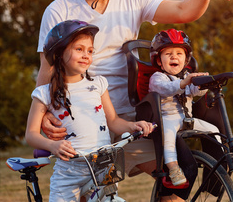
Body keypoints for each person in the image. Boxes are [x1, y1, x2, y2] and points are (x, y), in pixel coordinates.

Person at [36, 0, 232, 200]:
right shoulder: (59, 10)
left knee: (178, 175)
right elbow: (47, 70)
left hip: (132, 115)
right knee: (89, 193)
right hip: (84, 117)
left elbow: (181, 11)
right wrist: (44, 113)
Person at [26, 20, 154, 201]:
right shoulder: (45, 93)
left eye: (90, 51)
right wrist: (52, 145)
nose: (86, 55)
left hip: (103, 166)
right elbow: (31, 134)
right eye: (79, 49)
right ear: (60, 53)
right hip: (69, 173)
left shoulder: (98, 84)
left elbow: (114, 122)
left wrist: (133, 126)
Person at [148, 29, 220, 186]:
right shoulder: (157, 78)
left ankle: (220, 161)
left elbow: (194, 92)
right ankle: (173, 167)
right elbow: (166, 89)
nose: (174, 56)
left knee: (214, 130)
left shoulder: (186, 77)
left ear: (186, 60)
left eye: (179, 54)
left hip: (187, 118)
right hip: (167, 119)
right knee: (168, 136)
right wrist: (184, 83)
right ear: (159, 61)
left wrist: (202, 84)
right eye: (168, 54)